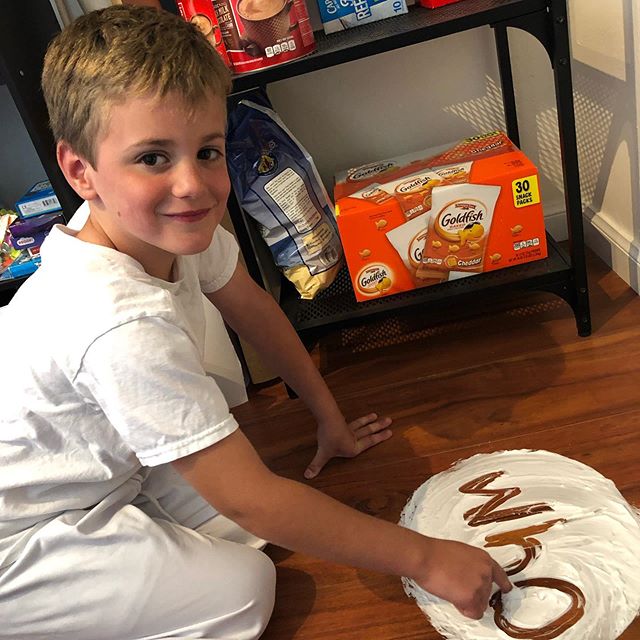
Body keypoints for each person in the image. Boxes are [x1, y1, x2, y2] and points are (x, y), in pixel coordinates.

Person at [0, 5, 511, 640]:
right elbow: (248, 498)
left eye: (208, 151)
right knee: (245, 587)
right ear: (81, 172)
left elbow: (256, 311)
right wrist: (427, 557)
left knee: (253, 514)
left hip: (105, 470)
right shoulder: (117, 322)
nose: (193, 184)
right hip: (19, 537)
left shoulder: (170, 229)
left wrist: (330, 419)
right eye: (153, 158)